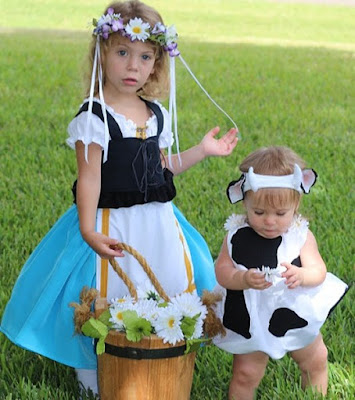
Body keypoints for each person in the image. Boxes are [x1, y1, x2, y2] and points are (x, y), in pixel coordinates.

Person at [0, 0, 238, 396]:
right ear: (102, 54)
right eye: (123, 53)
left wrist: (201, 151)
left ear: (156, 63)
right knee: (106, 290)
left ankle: (156, 353)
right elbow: (89, 178)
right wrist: (88, 230)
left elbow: (161, 170)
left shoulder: (155, 113)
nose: (133, 66)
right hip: (111, 221)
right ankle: (93, 367)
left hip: (158, 222)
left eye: (145, 57)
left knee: (161, 282)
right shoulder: (94, 117)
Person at [212, 146, 348, 399]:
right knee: (245, 374)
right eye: (259, 212)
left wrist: (302, 275)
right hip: (251, 316)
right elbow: (221, 271)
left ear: (296, 203)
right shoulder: (235, 235)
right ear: (245, 202)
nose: (270, 221)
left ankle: (314, 394)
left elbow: (318, 270)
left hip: (294, 310)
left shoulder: (300, 235)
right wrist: (241, 279)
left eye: (280, 213)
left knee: (316, 359)